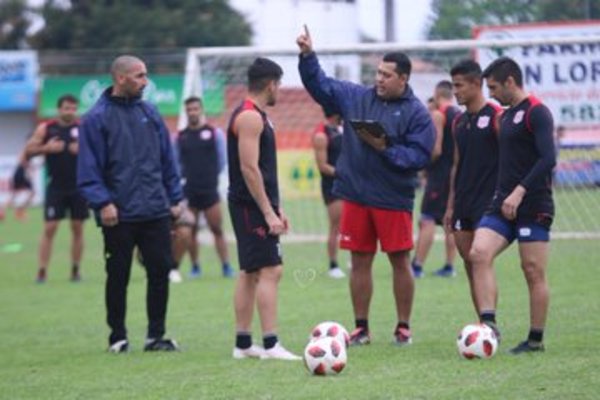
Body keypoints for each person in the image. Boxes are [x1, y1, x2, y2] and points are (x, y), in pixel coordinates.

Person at [297, 26, 435, 346]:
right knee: (359, 261)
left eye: (387, 75)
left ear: (404, 79)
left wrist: (385, 148)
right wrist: (307, 56)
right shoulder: (356, 97)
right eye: (378, 72)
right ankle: (360, 328)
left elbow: (420, 156)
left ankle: (403, 327)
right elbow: (321, 87)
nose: (380, 79)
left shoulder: (417, 113)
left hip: (392, 198)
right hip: (356, 195)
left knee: (400, 261)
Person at [78, 55, 183, 353]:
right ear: (120, 78)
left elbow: (167, 161)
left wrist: (175, 199)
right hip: (118, 214)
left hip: (155, 210)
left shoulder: (150, 112)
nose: (145, 81)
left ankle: (155, 336)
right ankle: (118, 337)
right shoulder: (96, 118)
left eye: (145, 74)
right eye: (139, 75)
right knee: (118, 275)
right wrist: (103, 203)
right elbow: (89, 170)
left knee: (161, 270)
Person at [470, 56, 556, 354]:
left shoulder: (538, 112)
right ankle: (488, 326)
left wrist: (520, 191)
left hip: (533, 203)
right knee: (478, 253)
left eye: (494, 87)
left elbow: (548, 159)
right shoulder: (503, 117)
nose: (491, 94)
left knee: (532, 270)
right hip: (501, 204)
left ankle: (535, 340)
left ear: (510, 82)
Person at [228, 57, 300, 360]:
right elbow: (249, 169)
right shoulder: (249, 117)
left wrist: (277, 207)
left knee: (250, 271)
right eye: (279, 85)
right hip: (249, 206)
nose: (279, 91)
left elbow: (265, 170)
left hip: (255, 204)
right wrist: (268, 213)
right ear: (271, 84)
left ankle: (243, 344)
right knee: (271, 269)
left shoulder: (258, 115)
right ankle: (271, 345)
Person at [442, 60, 502, 312]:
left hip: (488, 203)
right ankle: (482, 324)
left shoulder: (496, 117)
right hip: (463, 203)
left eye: (459, 85)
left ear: (477, 84)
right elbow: (457, 164)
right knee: (469, 265)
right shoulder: (458, 121)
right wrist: (450, 205)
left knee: (481, 261)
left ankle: (491, 324)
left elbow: (510, 159)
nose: (455, 91)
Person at [24, 94, 88, 283]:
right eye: (67, 108)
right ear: (59, 109)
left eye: (73, 108)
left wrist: (82, 150)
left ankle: (75, 270)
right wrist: (46, 149)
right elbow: (28, 152)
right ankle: (42, 271)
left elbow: (99, 154)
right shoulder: (46, 128)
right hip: (56, 187)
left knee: (77, 228)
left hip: (78, 187)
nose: (70, 111)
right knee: (50, 228)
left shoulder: (82, 129)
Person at [176, 96, 233, 281]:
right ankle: (195, 267)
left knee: (217, 229)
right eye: (189, 109)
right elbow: (176, 164)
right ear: (186, 112)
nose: (193, 112)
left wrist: (210, 177)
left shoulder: (214, 134)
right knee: (191, 231)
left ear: (201, 110)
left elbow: (223, 160)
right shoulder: (180, 137)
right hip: (189, 191)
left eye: (195, 109)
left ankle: (226, 266)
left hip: (210, 190)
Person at [411, 81, 460, 278]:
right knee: (450, 221)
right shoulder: (459, 114)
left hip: (439, 175)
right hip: (456, 174)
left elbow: (436, 149)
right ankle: (449, 266)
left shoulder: (439, 114)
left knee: (427, 219)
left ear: (437, 94)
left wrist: (422, 166)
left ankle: (417, 267)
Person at [312, 107, 345, 279]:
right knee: (336, 226)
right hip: (333, 186)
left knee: (353, 225)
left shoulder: (344, 129)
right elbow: (322, 166)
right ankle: (333, 265)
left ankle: (354, 260)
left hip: (350, 185)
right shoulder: (321, 135)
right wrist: (344, 173)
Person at [6, 149, 35, 221]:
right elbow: (21, 159)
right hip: (20, 175)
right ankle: (18, 211)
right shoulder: (26, 150)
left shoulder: (31, 151)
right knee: (16, 194)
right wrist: (29, 167)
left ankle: (19, 211)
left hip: (21, 175)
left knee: (30, 193)